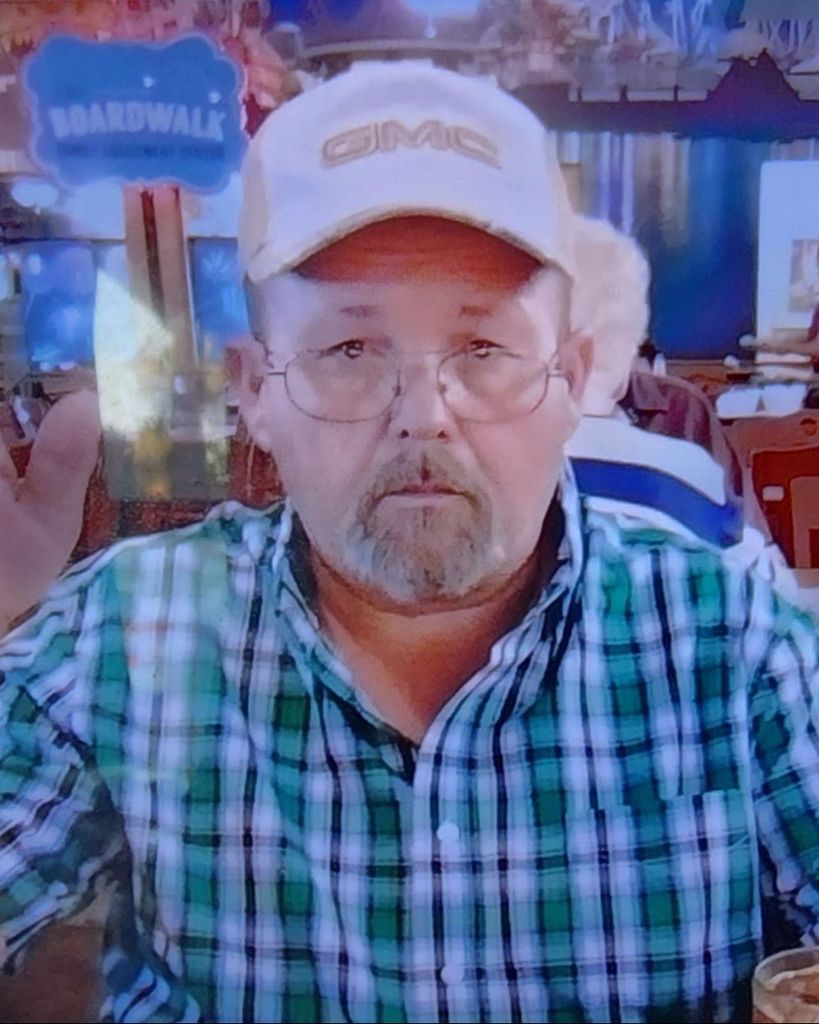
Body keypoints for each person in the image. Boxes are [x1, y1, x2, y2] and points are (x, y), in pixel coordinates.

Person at [1, 61, 819, 1024]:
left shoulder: (729, 642)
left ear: (571, 380)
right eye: (350, 350)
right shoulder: (126, 637)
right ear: (256, 390)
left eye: (483, 349)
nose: (423, 415)